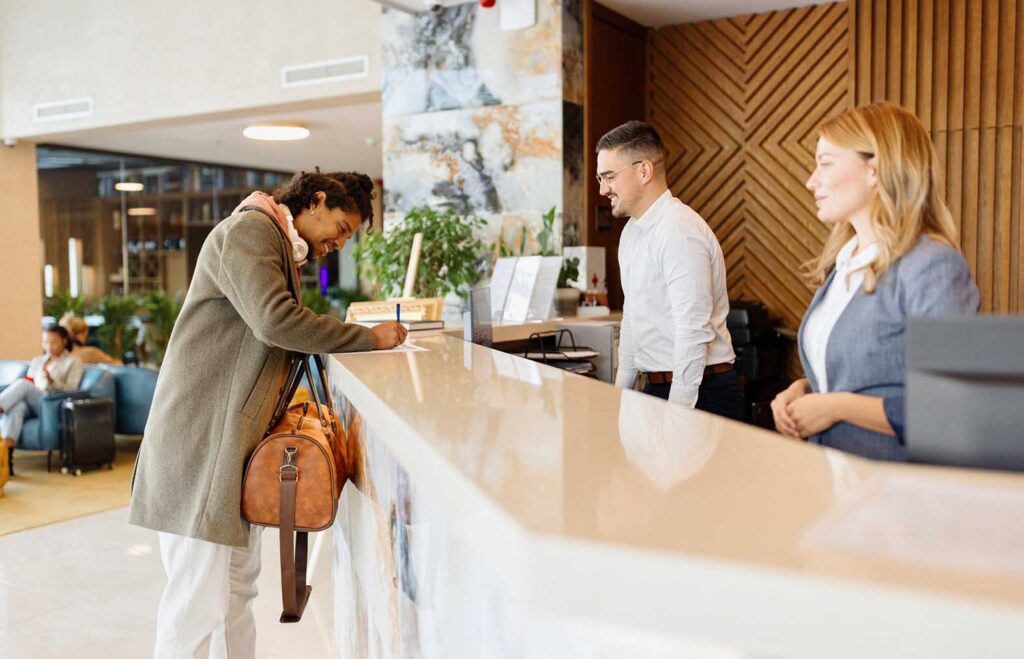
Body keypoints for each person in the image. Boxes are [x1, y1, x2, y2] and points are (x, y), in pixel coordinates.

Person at [127, 169, 407, 659]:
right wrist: (367, 337)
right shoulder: (250, 232)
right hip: (201, 445)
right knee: (196, 603)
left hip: (226, 447)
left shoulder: (277, 240)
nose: (339, 243)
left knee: (235, 593)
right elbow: (275, 320)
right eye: (341, 228)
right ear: (315, 201)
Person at [770, 102, 979, 461]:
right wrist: (803, 389)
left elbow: (950, 406)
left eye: (825, 163)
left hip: (898, 492)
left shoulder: (932, 266)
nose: (811, 181)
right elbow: (859, 371)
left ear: (874, 170)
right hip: (838, 481)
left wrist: (837, 407)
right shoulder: (844, 264)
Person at [597, 120, 743, 420]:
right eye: (600, 178)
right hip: (658, 389)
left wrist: (677, 415)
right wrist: (619, 398)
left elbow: (692, 330)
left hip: (701, 393)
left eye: (609, 177)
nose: (602, 189)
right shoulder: (631, 234)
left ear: (644, 170)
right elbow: (632, 319)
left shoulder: (679, 230)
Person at [1, 325, 84, 455]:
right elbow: (30, 381)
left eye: (54, 342)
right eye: (46, 342)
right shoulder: (38, 361)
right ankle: (6, 451)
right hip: (32, 403)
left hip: (51, 404)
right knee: (17, 406)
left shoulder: (73, 362)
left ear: (64, 341)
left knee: (23, 384)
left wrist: (53, 382)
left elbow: (72, 389)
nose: (49, 347)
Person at [59, 312, 123, 365]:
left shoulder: (56, 354)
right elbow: (117, 365)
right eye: (86, 334)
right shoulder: (90, 353)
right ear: (80, 333)